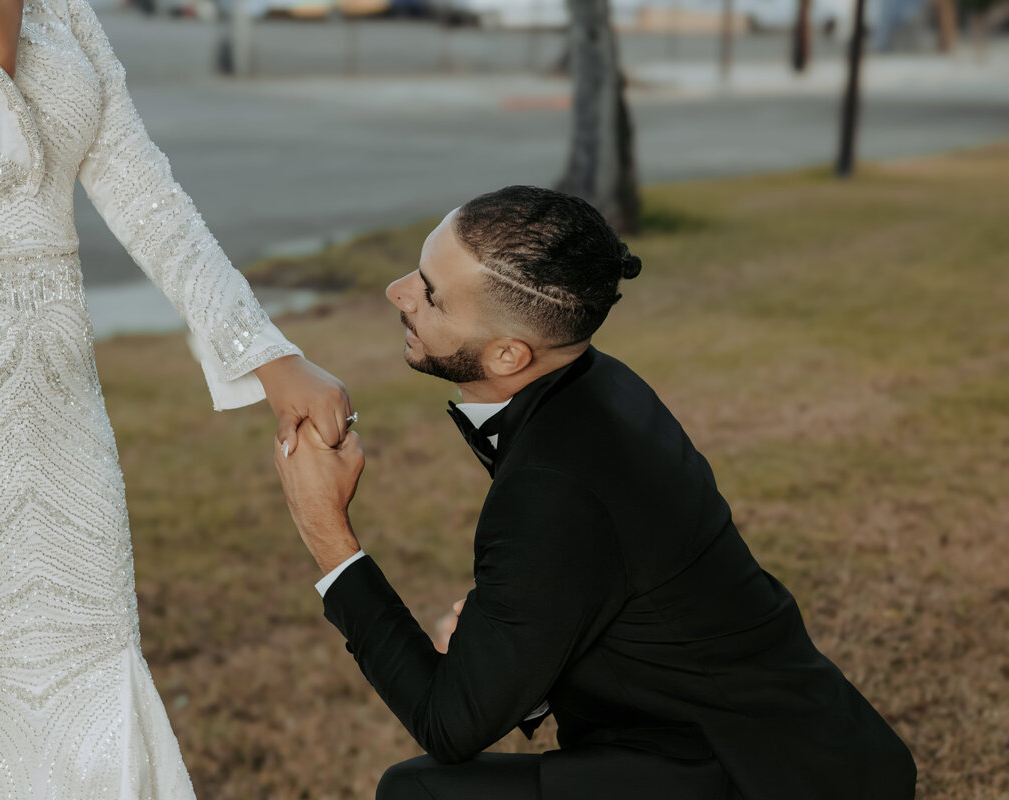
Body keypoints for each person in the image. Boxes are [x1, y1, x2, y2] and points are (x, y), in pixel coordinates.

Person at [0, 0, 352, 795]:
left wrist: (266, 353)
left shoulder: (61, 7)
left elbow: (145, 191)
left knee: (89, 670)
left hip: (53, 422)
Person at [274, 186, 917, 800]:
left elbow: (448, 726)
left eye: (431, 295)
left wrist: (326, 530)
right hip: (799, 748)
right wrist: (518, 652)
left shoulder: (553, 488)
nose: (397, 292)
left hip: (763, 779)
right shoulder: (598, 385)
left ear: (507, 355)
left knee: (418, 792)